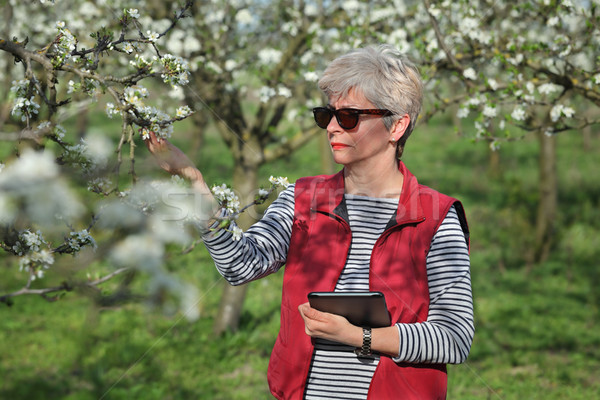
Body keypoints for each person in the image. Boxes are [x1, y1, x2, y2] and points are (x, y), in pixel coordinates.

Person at [146, 44, 473, 400]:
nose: (331, 127)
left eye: (349, 117)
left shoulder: (436, 218)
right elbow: (240, 265)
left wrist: (359, 337)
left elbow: (454, 337)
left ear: (396, 127)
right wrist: (195, 183)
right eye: (326, 114)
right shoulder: (302, 199)